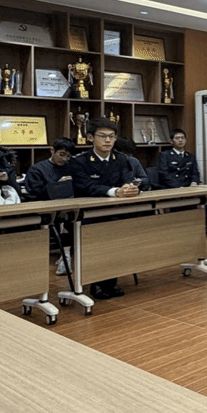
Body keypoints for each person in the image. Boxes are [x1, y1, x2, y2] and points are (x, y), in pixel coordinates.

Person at [67, 117, 139, 300]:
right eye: (103, 136)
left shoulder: (121, 159)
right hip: (89, 214)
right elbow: (85, 186)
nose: (108, 140)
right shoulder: (79, 161)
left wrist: (130, 188)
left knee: (117, 243)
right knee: (97, 245)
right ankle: (96, 283)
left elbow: (127, 179)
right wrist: (115, 191)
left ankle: (111, 281)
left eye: (112, 136)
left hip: (116, 211)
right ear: (90, 137)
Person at [23, 137, 77, 275]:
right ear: (52, 150)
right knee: (63, 218)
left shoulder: (72, 167)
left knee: (72, 216)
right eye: (61, 154)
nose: (64, 159)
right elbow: (35, 193)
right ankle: (65, 256)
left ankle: (67, 255)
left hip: (70, 204)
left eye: (68, 156)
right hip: (47, 207)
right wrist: (57, 186)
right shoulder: (37, 169)